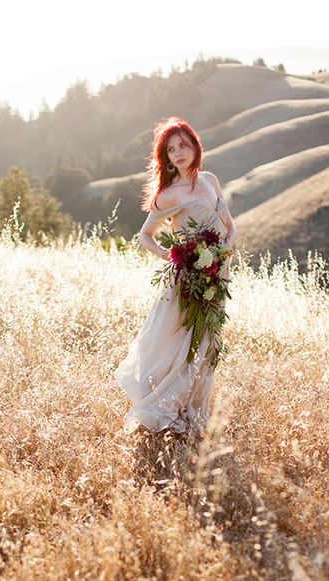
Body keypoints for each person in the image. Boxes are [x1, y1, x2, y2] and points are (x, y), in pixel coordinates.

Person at [115, 117, 236, 436]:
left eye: (183, 145)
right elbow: (145, 236)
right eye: (171, 149)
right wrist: (179, 259)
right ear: (165, 158)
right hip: (187, 276)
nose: (179, 153)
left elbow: (229, 225)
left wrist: (224, 250)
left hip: (217, 275)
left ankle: (193, 411)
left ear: (195, 146)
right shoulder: (169, 194)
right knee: (174, 340)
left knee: (206, 341)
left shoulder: (211, 180)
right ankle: (163, 410)